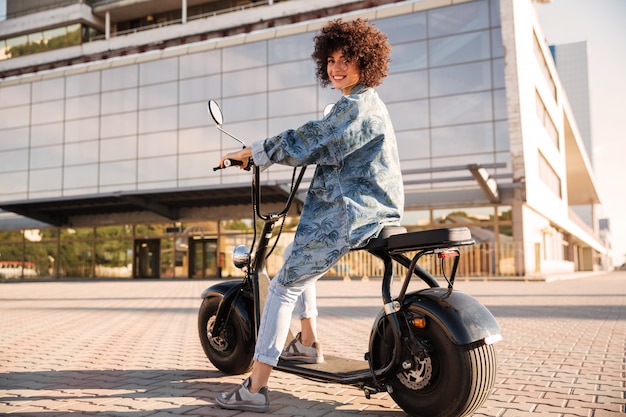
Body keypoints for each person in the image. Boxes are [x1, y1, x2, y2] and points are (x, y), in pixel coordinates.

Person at [215, 17, 404, 413]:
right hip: (358, 209)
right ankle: (307, 344)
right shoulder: (357, 103)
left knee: (283, 286)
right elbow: (322, 139)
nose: (336, 67)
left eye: (346, 59)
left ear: (366, 62)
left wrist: (253, 153)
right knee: (296, 264)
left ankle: (255, 388)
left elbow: (313, 139)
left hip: (350, 213)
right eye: (331, 59)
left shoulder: (357, 105)